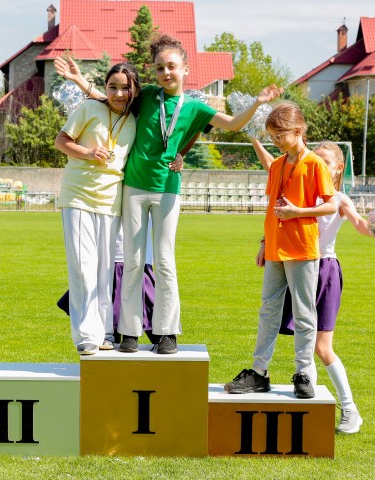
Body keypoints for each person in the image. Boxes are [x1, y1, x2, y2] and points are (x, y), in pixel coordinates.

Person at [55, 34, 282, 355]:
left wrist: (257, 103)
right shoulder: (147, 95)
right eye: (160, 67)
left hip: (166, 191)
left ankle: (167, 333)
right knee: (132, 262)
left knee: (163, 261)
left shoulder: (195, 107)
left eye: (172, 66)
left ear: (185, 69)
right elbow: (113, 97)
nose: (166, 72)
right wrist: (80, 82)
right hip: (132, 189)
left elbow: (232, 124)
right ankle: (127, 333)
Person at [253, 139, 371, 433]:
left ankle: (350, 409)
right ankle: (311, 410)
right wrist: (265, 242)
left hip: (324, 270)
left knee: (321, 347)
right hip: (296, 265)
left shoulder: (339, 199)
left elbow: (360, 224)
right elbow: (272, 168)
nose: (318, 164)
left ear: (339, 168)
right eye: (316, 159)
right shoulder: (301, 187)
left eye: (325, 162)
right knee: (303, 342)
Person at [224, 103, 335, 399]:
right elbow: (273, 206)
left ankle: (303, 373)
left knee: (304, 313)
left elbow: (331, 205)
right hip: (275, 246)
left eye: (280, 135)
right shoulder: (277, 165)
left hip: (302, 248)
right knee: (268, 311)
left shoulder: (315, 164)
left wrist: (299, 212)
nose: (276, 141)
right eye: (272, 136)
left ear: (298, 131)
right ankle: (259, 372)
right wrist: (264, 243)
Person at [54, 63, 143, 355]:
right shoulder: (89, 109)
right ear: (105, 88)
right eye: (112, 87)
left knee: (105, 271)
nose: (119, 93)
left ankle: (105, 331)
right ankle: (86, 335)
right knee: (83, 268)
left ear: (135, 90)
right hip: (78, 197)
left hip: (111, 202)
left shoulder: (136, 119)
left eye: (125, 88)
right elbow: (61, 141)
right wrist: (89, 153)